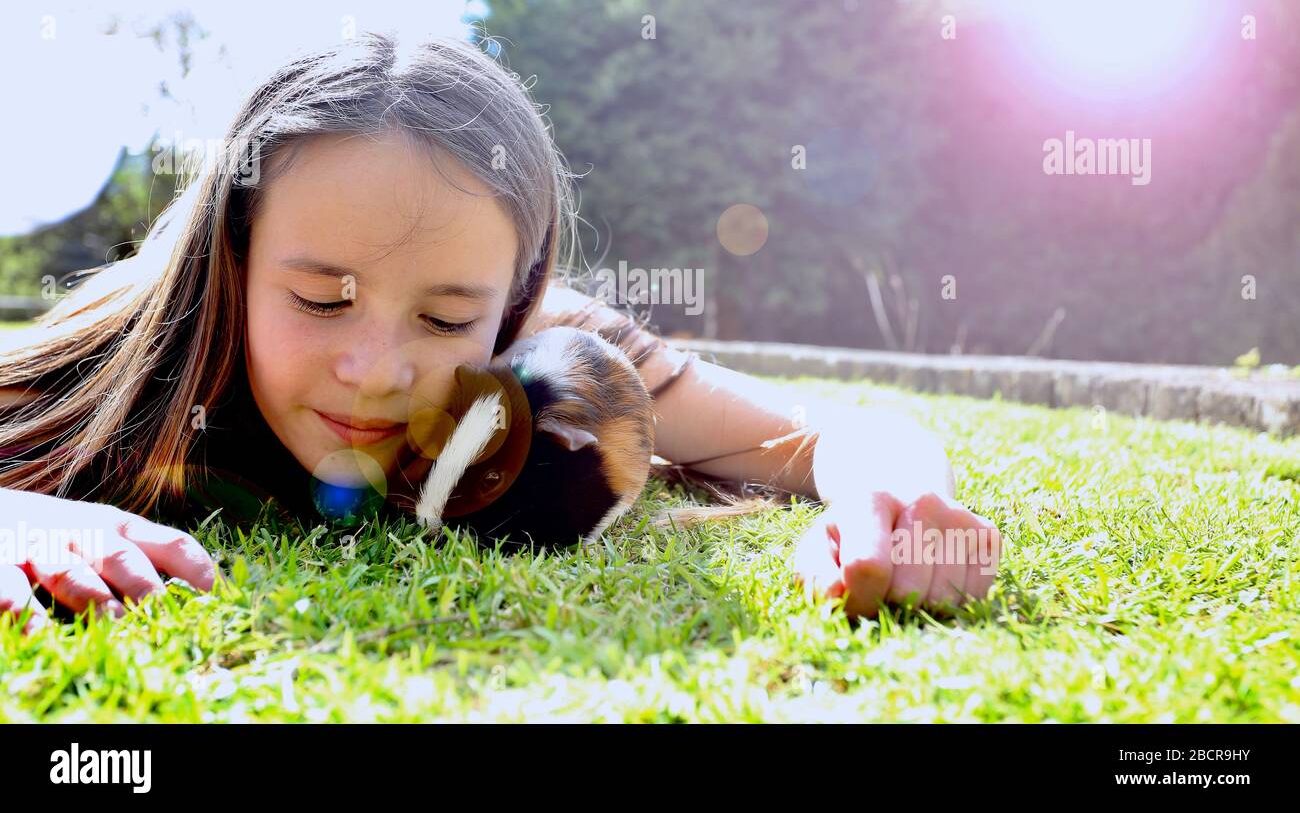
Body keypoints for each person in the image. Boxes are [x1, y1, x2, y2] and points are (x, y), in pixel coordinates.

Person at [0, 32, 1000, 635]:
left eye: (445, 318)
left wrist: (893, 494)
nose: (376, 370)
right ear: (233, 257)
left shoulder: (543, 356)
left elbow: (829, 431)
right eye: (318, 297)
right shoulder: (121, 355)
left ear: (514, 302)